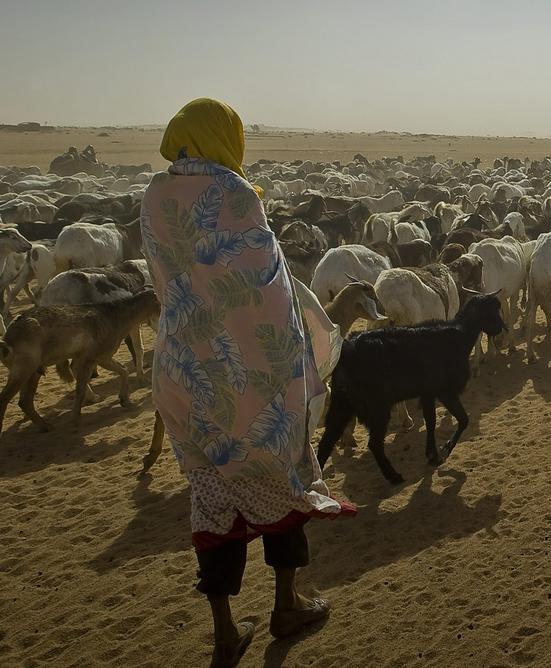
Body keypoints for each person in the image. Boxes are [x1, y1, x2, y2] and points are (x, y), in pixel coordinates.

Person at [140, 98, 356, 667]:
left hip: (184, 373)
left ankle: (223, 632)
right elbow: (268, 289)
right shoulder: (235, 194)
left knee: (212, 495)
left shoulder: (153, 197)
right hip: (249, 373)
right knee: (278, 477)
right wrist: (297, 352)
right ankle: (287, 603)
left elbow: (174, 281)